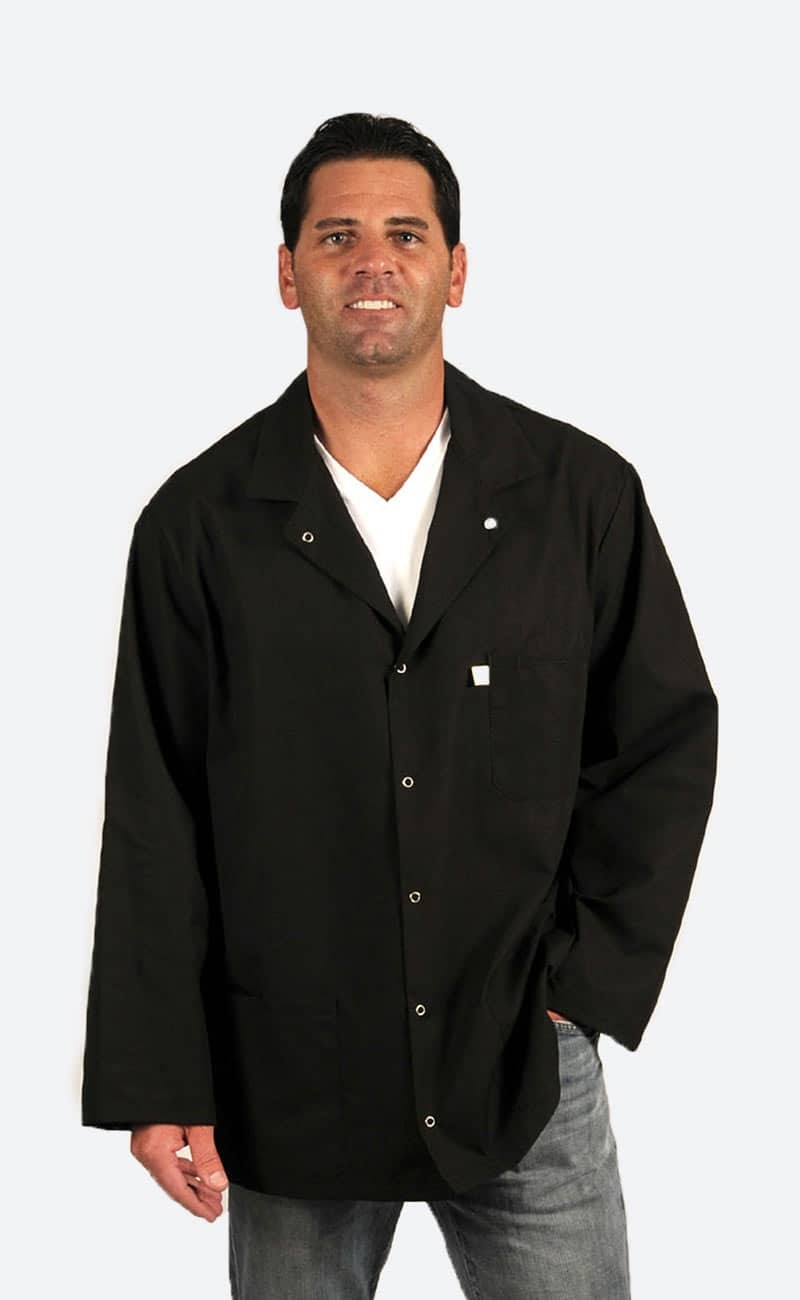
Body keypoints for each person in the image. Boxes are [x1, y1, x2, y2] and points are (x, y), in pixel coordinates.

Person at [81, 112, 718, 1298]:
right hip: (291, 1069)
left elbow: (659, 745)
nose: (371, 261)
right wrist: (159, 1076)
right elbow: (155, 811)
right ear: (287, 273)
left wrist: (578, 992)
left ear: (455, 270)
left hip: (521, 1063)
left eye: (404, 234)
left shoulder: (576, 497)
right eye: (335, 236)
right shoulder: (199, 524)